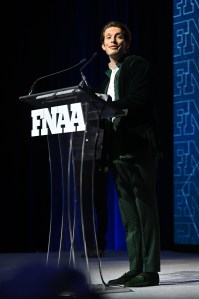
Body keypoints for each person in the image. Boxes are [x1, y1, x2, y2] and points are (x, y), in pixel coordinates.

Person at [99, 21, 161, 287]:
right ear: (102, 46)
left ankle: (149, 271)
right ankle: (135, 266)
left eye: (119, 36)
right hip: (117, 150)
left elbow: (137, 101)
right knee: (128, 215)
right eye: (108, 37)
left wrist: (104, 105)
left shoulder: (136, 65)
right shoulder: (107, 76)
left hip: (138, 146)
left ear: (127, 42)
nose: (113, 41)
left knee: (144, 210)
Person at [73, 121, 108, 258]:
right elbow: (71, 142)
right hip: (80, 162)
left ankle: (100, 245)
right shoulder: (74, 115)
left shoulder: (99, 113)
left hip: (97, 161)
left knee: (100, 205)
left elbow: (102, 141)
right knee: (85, 207)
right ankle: (88, 246)